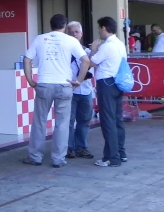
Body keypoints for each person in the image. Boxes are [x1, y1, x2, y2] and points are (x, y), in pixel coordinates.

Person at [22, 14, 90, 168]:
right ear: (64, 25)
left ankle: (35, 157)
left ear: (50, 25)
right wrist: (78, 80)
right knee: (62, 124)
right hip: (64, 85)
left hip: (44, 84)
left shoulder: (40, 38)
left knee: (39, 122)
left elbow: (27, 59)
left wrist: (30, 80)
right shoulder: (71, 40)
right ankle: (58, 159)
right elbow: (85, 60)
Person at [90, 17, 128, 167]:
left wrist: (93, 49)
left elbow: (92, 62)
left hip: (106, 84)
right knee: (117, 119)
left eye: (99, 28)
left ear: (104, 28)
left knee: (108, 121)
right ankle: (120, 152)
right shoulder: (120, 44)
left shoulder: (107, 46)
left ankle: (111, 157)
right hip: (118, 84)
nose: (98, 31)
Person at [65, 22, 95, 160]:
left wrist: (94, 50)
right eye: (70, 32)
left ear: (81, 34)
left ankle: (82, 147)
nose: (74, 35)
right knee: (69, 122)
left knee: (84, 121)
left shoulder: (88, 52)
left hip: (86, 91)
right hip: (70, 91)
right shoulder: (64, 52)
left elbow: (92, 65)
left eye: (76, 32)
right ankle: (69, 148)